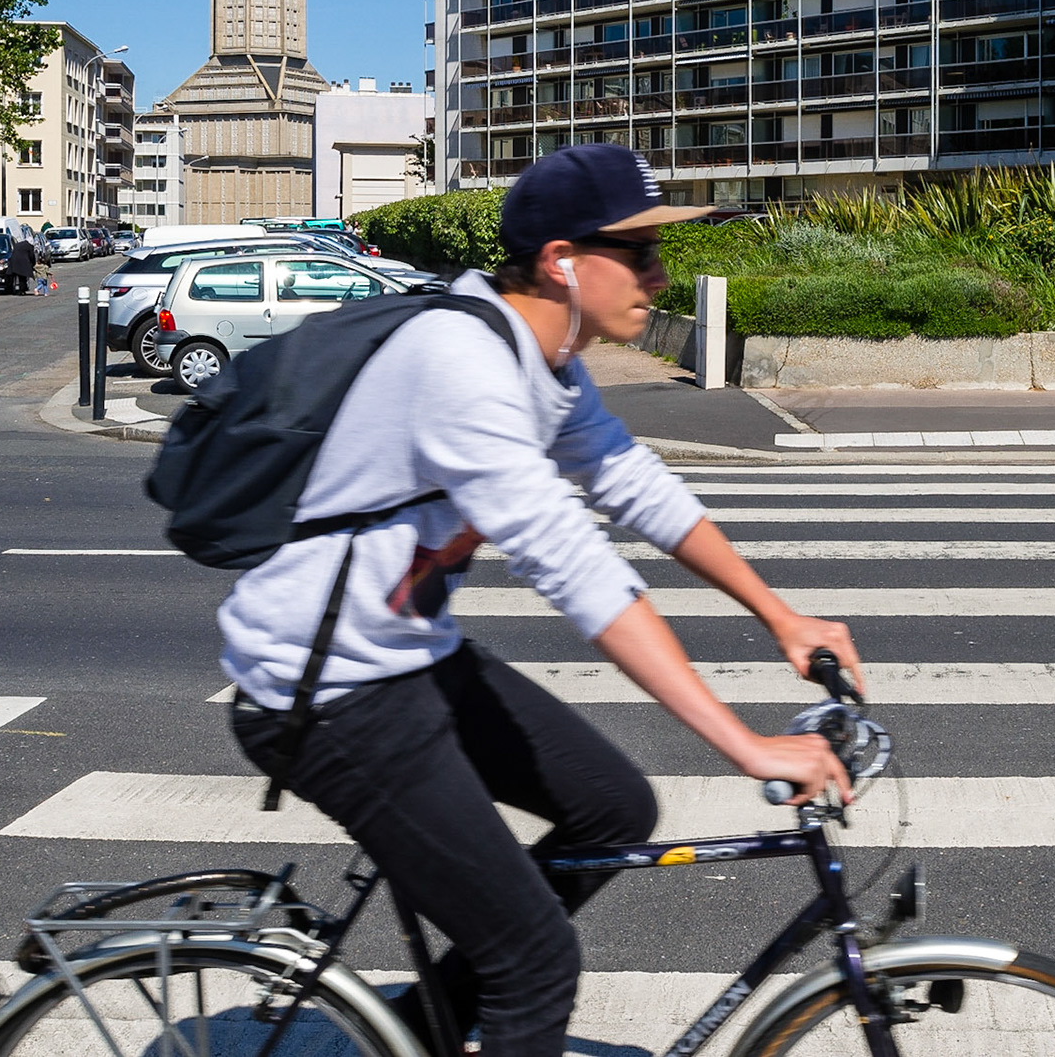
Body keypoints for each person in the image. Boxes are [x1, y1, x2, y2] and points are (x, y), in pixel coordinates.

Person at [220, 144, 862, 1057]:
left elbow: (633, 482)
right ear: (563, 260)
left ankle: (420, 1033)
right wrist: (746, 744)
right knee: (534, 959)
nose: (659, 275)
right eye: (638, 252)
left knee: (613, 808)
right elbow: (578, 568)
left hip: (408, 656)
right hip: (324, 689)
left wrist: (781, 615)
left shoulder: (546, 359)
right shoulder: (462, 362)